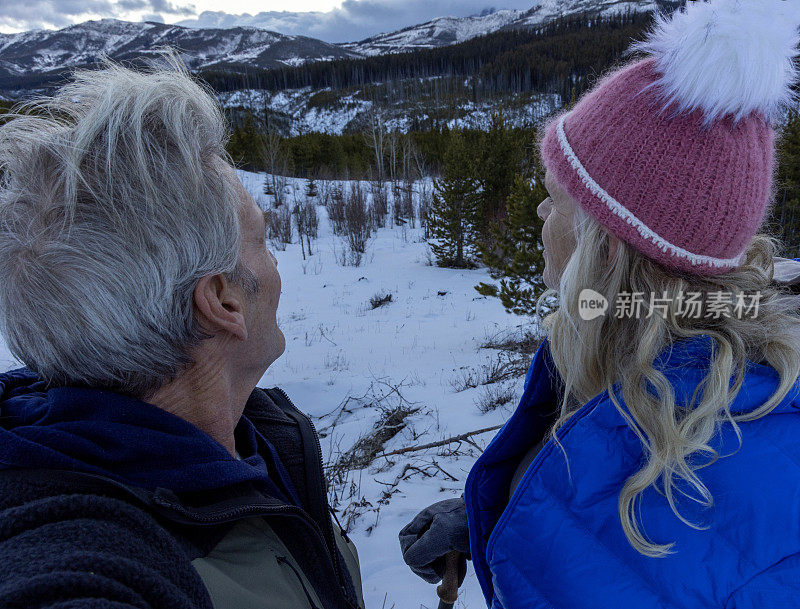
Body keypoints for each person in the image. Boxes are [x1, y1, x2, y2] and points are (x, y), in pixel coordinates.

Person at [400, 0, 800, 606]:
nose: (539, 213)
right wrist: (502, 521)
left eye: (555, 198)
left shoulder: (711, 482)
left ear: (606, 249)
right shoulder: (657, 379)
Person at [0, 54, 364, 609]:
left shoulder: (258, 439)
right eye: (263, 240)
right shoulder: (83, 563)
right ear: (222, 300)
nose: (274, 262)